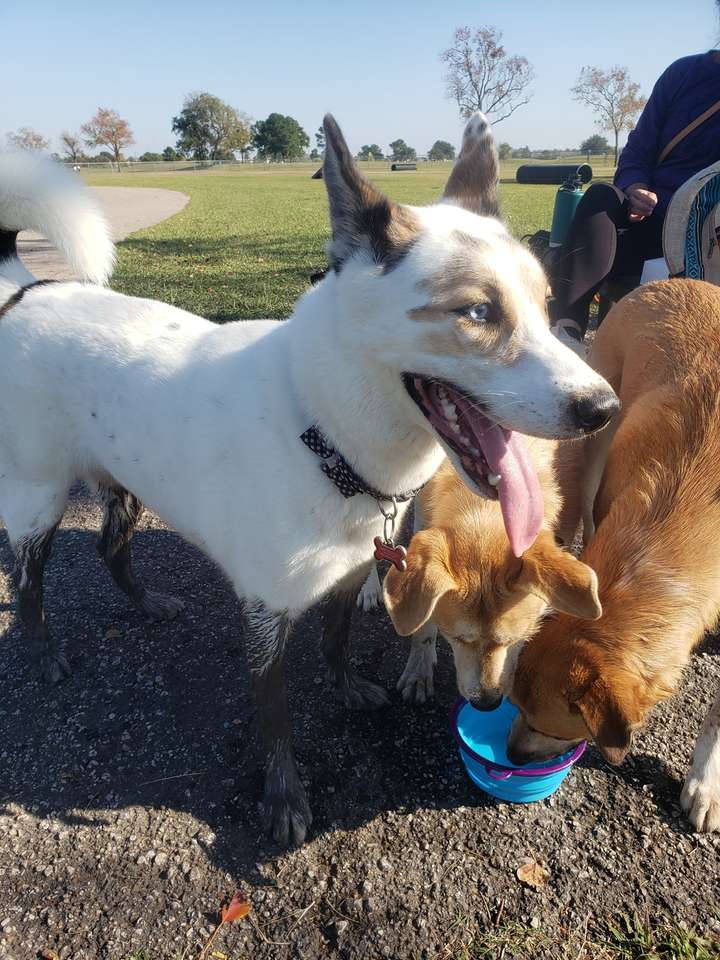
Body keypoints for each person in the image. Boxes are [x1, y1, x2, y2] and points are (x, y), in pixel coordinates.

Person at [550, 48, 720, 348]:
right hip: (648, 219)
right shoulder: (682, 74)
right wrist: (636, 186)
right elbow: (639, 149)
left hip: (707, 237)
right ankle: (568, 332)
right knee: (601, 197)